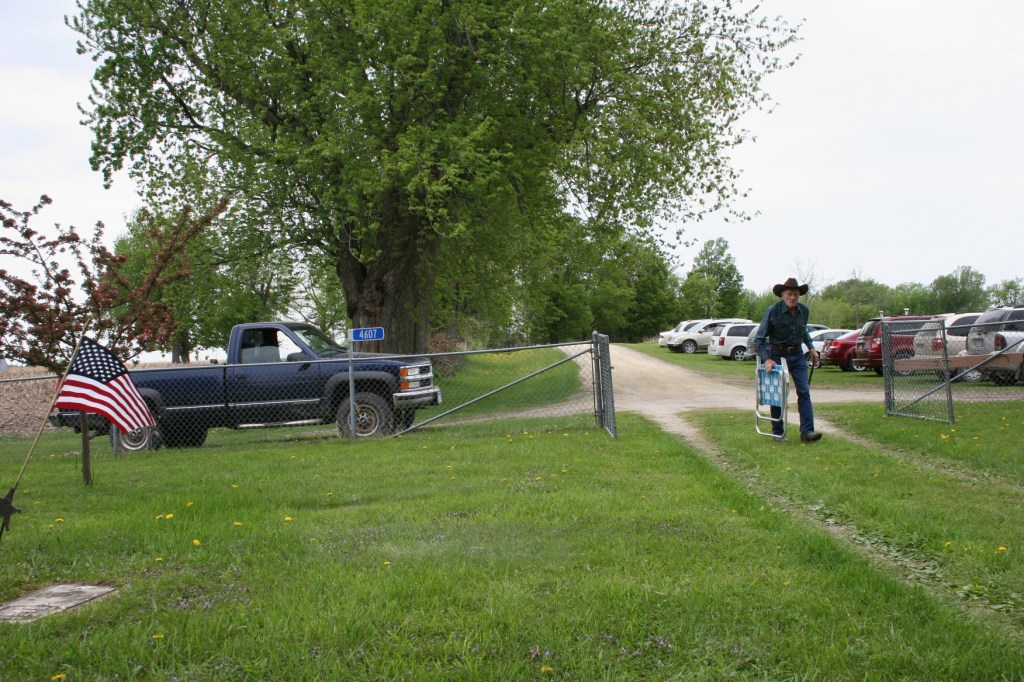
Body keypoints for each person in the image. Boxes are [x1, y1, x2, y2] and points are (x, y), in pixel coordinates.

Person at [754, 277, 822, 443]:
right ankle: (778, 432)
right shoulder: (773, 311)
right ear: (783, 295)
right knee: (778, 395)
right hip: (777, 355)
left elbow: (803, 332)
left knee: (804, 392)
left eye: (796, 294)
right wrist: (767, 359)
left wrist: (811, 347)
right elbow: (758, 340)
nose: (793, 297)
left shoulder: (803, 311)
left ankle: (807, 432)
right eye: (790, 294)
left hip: (798, 355)